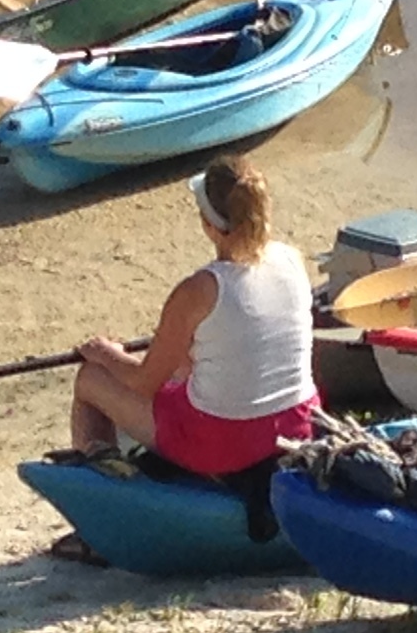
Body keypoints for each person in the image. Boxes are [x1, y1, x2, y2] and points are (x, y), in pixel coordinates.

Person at [71, 154, 318, 473]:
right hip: (297, 422)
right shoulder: (291, 259)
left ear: (209, 225)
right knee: (186, 364)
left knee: (90, 379)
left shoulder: (198, 291)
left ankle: (100, 480)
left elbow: (143, 383)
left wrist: (105, 354)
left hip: (222, 443)